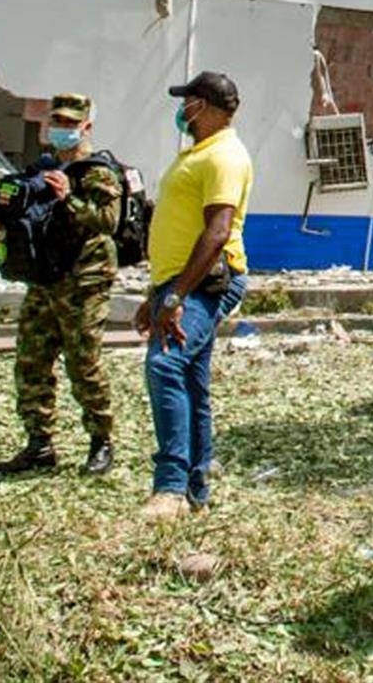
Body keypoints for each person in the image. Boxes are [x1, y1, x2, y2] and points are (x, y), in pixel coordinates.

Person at [133, 71, 252, 522]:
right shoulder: (199, 153)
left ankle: (170, 487)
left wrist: (175, 296)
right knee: (190, 379)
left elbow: (217, 231)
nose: (182, 110)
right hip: (181, 281)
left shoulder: (224, 156)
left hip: (207, 281)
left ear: (204, 105)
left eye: (188, 102)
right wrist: (158, 292)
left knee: (165, 364)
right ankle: (196, 488)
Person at [0, 93, 122, 476]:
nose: (61, 129)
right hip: (46, 277)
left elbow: (106, 222)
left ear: (86, 127)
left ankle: (101, 441)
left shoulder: (97, 171)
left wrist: (69, 199)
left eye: (69, 123)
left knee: (83, 363)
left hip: (84, 280)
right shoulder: (45, 166)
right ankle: (39, 444)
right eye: (57, 122)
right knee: (31, 359)